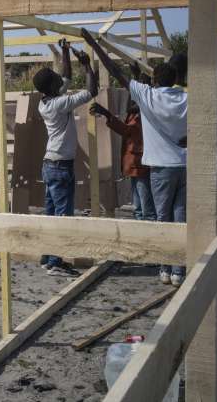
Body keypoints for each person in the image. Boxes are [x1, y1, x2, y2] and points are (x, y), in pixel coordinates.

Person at [81, 29, 187, 286]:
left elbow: (117, 73)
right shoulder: (186, 98)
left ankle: (165, 268)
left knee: (162, 219)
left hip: (161, 167)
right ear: (176, 79)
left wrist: (94, 44)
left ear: (155, 80)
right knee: (180, 217)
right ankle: (179, 270)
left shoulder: (148, 97)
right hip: (185, 165)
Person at [32, 38, 98, 276]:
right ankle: (57, 262)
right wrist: (88, 65)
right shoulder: (59, 104)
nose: (61, 78)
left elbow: (65, 77)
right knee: (63, 215)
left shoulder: (48, 101)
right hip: (59, 166)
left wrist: (65, 51)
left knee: (51, 215)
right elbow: (92, 91)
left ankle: (48, 258)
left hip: (51, 164)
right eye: (55, 77)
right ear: (52, 86)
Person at [89, 98, 156, 221]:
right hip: (135, 166)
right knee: (139, 207)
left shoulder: (143, 116)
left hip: (140, 165)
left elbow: (126, 130)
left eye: (133, 100)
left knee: (146, 208)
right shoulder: (135, 114)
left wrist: (106, 114)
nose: (129, 103)